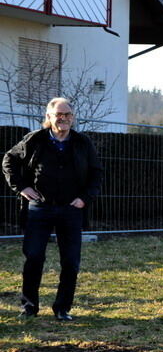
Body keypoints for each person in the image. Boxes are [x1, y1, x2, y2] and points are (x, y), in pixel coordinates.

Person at [3, 98, 103, 321]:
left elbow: (96, 173)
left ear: (72, 117)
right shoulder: (35, 140)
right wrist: (22, 187)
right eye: (59, 114)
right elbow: (8, 160)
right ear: (48, 117)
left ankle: (62, 309)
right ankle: (29, 307)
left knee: (70, 262)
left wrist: (84, 198)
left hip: (71, 210)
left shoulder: (82, 142)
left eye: (68, 114)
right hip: (39, 209)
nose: (64, 118)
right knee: (34, 258)